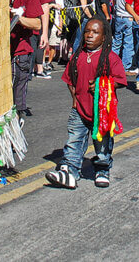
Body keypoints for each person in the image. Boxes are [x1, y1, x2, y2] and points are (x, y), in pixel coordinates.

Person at [45, 19, 126, 189]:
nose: (89, 35)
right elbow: (69, 80)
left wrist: (103, 83)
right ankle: (70, 172)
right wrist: (74, 99)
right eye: (87, 31)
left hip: (102, 111)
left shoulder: (110, 58)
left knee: (102, 142)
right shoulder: (78, 56)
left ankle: (102, 169)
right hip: (79, 109)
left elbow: (121, 80)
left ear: (104, 37)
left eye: (95, 32)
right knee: (74, 139)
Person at [6, 0, 51, 118]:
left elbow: (44, 7)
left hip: (24, 38)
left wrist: (44, 34)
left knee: (18, 80)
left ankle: (16, 120)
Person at [112, 0, 135, 72]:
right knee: (128, 42)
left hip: (119, 16)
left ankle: (112, 62)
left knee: (117, 41)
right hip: (128, 16)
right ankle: (125, 65)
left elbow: (114, 1)